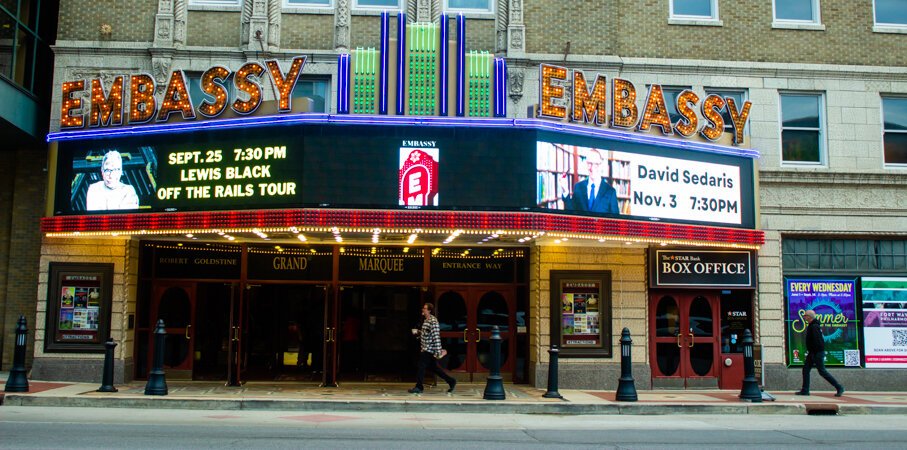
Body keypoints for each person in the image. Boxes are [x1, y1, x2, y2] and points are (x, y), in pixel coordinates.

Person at [408, 303, 456, 394]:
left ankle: (419, 387)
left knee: (421, 366)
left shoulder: (433, 321)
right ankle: (451, 381)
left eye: (425, 308)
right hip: (425, 348)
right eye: (423, 308)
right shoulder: (427, 320)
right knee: (434, 368)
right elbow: (427, 333)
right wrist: (418, 332)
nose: (423, 309)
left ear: (429, 310)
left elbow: (436, 336)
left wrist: (438, 352)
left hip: (428, 349)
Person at [796, 310, 844, 397]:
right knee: (806, 370)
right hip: (813, 353)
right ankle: (805, 390)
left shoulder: (814, 327)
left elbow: (818, 341)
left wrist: (814, 352)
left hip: (816, 353)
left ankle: (839, 387)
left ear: (809, 317)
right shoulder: (813, 325)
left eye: (805, 315)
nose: (804, 317)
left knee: (822, 371)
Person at [568, 149, 619, 214]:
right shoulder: (578, 187)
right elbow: (571, 214)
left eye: (596, 164)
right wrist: (565, 192)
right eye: (589, 163)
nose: (592, 168)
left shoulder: (610, 192)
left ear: (601, 165)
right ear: (586, 163)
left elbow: (615, 221)